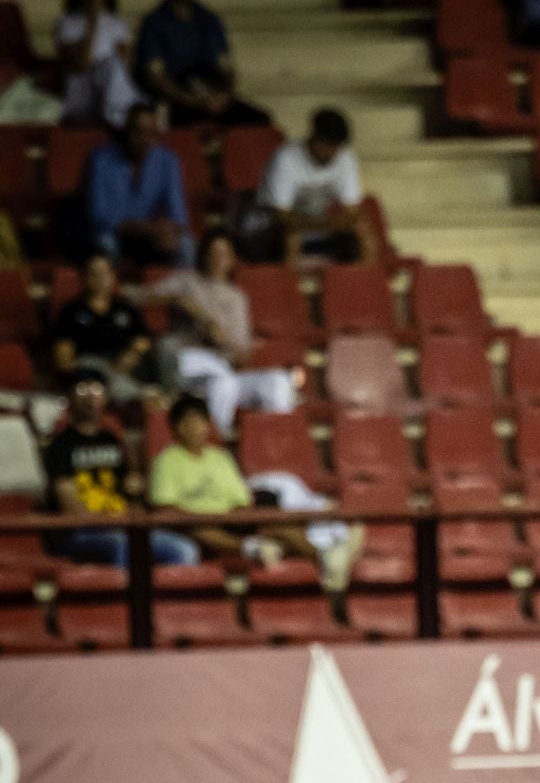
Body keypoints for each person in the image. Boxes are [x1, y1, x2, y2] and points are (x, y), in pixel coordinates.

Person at [147, 394, 339, 573]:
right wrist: (201, 517)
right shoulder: (166, 461)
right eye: (188, 422)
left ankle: (327, 564)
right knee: (199, 528)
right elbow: (165, 508)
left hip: (229, 521)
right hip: (195, 527)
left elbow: (242, 501)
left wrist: (243, 518)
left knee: (277, 523)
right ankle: (250, 548)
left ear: (208, 425)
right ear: (175, 428)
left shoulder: (220, 457)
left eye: (200, 421)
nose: (195, 427)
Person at [141, 229, 301, 435]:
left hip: (224, 366)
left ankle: (281, 443)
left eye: (224, 254)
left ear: (232, 258)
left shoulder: (237, 297)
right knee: (223, 381)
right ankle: (217, 441)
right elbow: (140, 297)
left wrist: (218, 337)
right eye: (213, 252)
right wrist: (176, 299)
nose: (218, 259)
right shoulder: (185, 281)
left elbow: (243, 356)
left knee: (279, 381)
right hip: (188, 364)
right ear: (204, 255)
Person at [43, 373, 197, 568]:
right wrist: (110, 521)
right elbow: (69, 505)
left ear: (106, 398)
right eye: (82, 390)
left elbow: (129, 488)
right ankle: (120, 598)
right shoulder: (61, 445)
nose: (90, 397)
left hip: (121, 526)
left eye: (97, 390)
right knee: (123, 545)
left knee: (184, 549)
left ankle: (168, 598)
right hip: (81, 533)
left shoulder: (112, 440)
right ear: (69, 398)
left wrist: (136, 492)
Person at [133, 0, 270, 127]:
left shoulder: (208, 19)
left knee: (259, 120)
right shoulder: (154, 22)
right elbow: (155, 77)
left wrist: (224, 96)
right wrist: (190, 100)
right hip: (176, 98)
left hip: (211, 93)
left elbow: (226, 67)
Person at [252, 109, 375, 266]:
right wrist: (325, 225)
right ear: (314, 138)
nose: (333, 152)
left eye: (337, 147)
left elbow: (352, 209)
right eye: (328, 146)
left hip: (319, 229)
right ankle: (287, 288)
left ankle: (366, 286)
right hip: (271, 231)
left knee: (362, 231)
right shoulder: (286, 158)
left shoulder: (345, 159)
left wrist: (339, 223)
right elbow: (281, 215)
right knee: (292, 236)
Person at [81, 104, 190, 267]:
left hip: (150, 236)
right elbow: (99, 215)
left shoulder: (168, 160)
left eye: (151, 134)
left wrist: (168, 231)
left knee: (186, 245)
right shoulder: (101, 160)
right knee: (105, 243)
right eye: (138, 132)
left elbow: (178, 214)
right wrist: (146, 228)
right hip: (116, 234)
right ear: (126, 132)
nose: (144, 139)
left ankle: (179, 292)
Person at [52, 252, 150, 403]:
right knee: (92, 369)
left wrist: (133, 353)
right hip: (93, 365)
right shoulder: (71, 311)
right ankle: (139, 396)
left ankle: (169, 397)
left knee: (167, 347)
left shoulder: (125, 307)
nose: (100, 279)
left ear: (113, 276)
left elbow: (144, 338)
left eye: (105, 273)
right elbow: (64, 356)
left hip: (126, 361)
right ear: (83, 277)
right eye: (94, 274)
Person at [55, 0, 142, 128]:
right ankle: (124, 117)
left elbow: (125, 69)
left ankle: (121, 115)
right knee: (107, 66)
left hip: (112, 93)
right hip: (82, 95)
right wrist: (92, 23)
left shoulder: (117, 24)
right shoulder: (66, 23)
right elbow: (81, 64)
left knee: (112, 67)